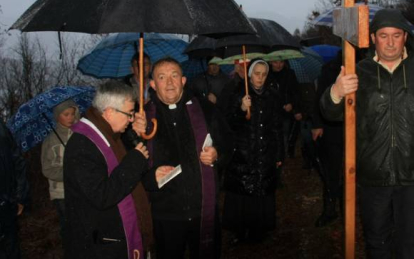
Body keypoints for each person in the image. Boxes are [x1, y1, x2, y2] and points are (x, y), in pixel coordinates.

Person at [320, 9, 414, 258]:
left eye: (396, 35)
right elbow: (329, 114)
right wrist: (336, 93)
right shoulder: (359, 72)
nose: (390, 42)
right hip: (373, 175)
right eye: (384, 35)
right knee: (377, 243)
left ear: (405, 36)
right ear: (373, 38)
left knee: (411, 245)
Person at [136, 57, 230, 259]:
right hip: (165, 213)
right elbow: (130, 167)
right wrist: (151, 177)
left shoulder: (205, 109)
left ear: (184, 80)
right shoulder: (140, 119)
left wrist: (217, 153)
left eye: (174, 75)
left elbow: (229, 142)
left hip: (202, 208)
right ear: (153, 84)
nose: (169, 83)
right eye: (162, 77)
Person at [63, 81, 154, 259]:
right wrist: (134, 161)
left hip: (111, 240)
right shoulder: (82, 145)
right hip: (100, 246)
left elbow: (126, 176)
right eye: (129, 113)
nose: (131, 118)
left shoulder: (110, 136)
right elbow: (102, 195)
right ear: (110, 112)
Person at [222, 59, 283, 243]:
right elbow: (229, 124)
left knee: (262, 193)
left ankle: (259, 230)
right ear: (250, 74)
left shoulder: (272, 95)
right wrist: (241, 109)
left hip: (265, 153)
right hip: (243, 153)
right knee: (243, 194)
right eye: (257, 73)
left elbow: (276, 127)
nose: (260, 78)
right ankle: (240, 232)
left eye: (264, 74)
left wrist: (279, 154)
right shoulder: (238, 93)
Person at [41, 99, 80, 247]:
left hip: (80, 189)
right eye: (66, 114)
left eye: (72, 113)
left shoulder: (79, 135)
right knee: (68, 225)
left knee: (82, 223)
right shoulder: (50, 140)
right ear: (58, 116)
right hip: (61, 192)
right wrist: (68, 173)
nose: (70, 117)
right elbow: (47, 169)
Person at [313, 53, 344, 227]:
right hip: (332, 130)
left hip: (359, 133)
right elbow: (319, 98)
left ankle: (348, 210)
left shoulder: (367, 65)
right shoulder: (330, 68)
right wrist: (317, 124)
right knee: (331, 172)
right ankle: (330, 209)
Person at [0, 120, 29, 259]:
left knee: (11, 248)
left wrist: (20, 197)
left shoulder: (2, 130)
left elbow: (17, 161)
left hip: (7, 203)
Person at [267, 60, 301, 157]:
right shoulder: (266, 74)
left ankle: (282, 156)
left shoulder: (289, 74)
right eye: (276, 62)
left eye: (281, 62)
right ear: (270, 62)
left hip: (286, 111)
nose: (278, 65)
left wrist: (292, 104)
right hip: (271, 110)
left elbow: (296, 92)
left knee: (284, 134)